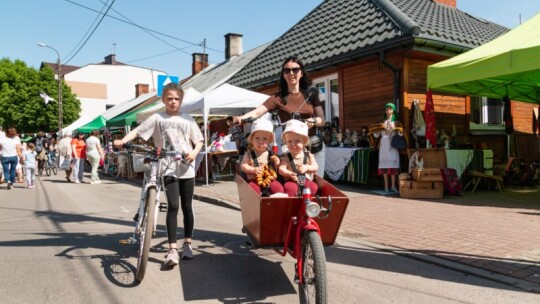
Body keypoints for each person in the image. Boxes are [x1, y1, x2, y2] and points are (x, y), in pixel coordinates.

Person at [114, 82, 204, 266]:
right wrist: (122, 140)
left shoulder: (188, 119)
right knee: (173, 206)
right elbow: (138, 131)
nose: (173, 102)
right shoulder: (157, 118)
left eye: (177, 99)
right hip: (167, 166)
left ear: (181, 100)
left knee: (187, 207)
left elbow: (200, 141)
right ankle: (172, 250)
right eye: (169, 98)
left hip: (186, 166)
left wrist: (194, 153)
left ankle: (187, 244)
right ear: (163, 99)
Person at [234, 56, 326, 177]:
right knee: (290, 183)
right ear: (283, 74)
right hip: (290, 148)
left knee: (317, 184)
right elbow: (257, 112)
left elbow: (322, 120)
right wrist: (241, 118)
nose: (291, 73)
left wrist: (313, 121)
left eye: (295, 70)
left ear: (301, 73)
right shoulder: (278, 98)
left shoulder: (310, 95)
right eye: (287, 70)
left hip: (313, 145)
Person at [240, 119, 283, 196]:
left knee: (278, 188)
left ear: (269, 141)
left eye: (265, 139)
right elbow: (243, 166)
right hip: (254, 180)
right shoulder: (249, 154)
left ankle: (277, 204)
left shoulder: (271, 153)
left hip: (270, 179)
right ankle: (255, 205)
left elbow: (276, 167)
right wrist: (253, 169)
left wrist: (277, 162)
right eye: (257, 138)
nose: (260, 142)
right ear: (252, 139)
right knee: (252, 190)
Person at [278, 119, 319, 197]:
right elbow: (281, 169)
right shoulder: (286, 156)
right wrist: (290, 174)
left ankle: (308, 204)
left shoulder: (308, 155)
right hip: (291, 180)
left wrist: (306, 167)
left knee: (313, 187)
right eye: (289, 141)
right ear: (286, 142)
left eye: (297, 141)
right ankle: (292, 205)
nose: (293, 144)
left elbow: (315, 167)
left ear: (304, 142)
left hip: (305, 179)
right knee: (290, 188)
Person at [372, 103, 402, 193]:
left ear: (393, 110)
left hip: (392, 146)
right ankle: (386, 187)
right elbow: (377, 135)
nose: (388, 110)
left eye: (389, 109)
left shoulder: (396, 122)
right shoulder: (383, 123)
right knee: (384, 168)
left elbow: (400, 134)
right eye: (386, 109)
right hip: (383, 147)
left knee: (393, 167)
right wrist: (375, 130)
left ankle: (393, 186)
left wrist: (399, 130)